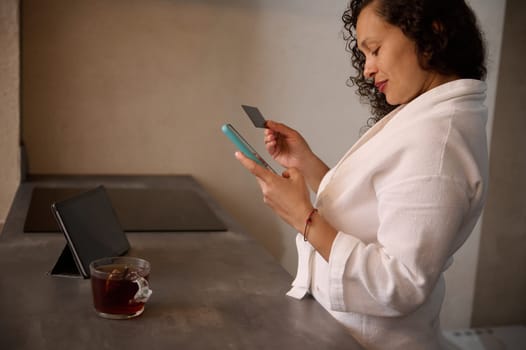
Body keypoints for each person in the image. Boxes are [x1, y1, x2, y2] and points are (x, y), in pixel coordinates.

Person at [235, 0, 488, 349]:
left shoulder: (437, 140)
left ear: (433, 32)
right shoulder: (425, 118)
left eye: (375, 49)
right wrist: (306, 161)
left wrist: (302, 217)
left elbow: (400, 285)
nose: (367, 69)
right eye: (364, 55)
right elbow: (372, 208)